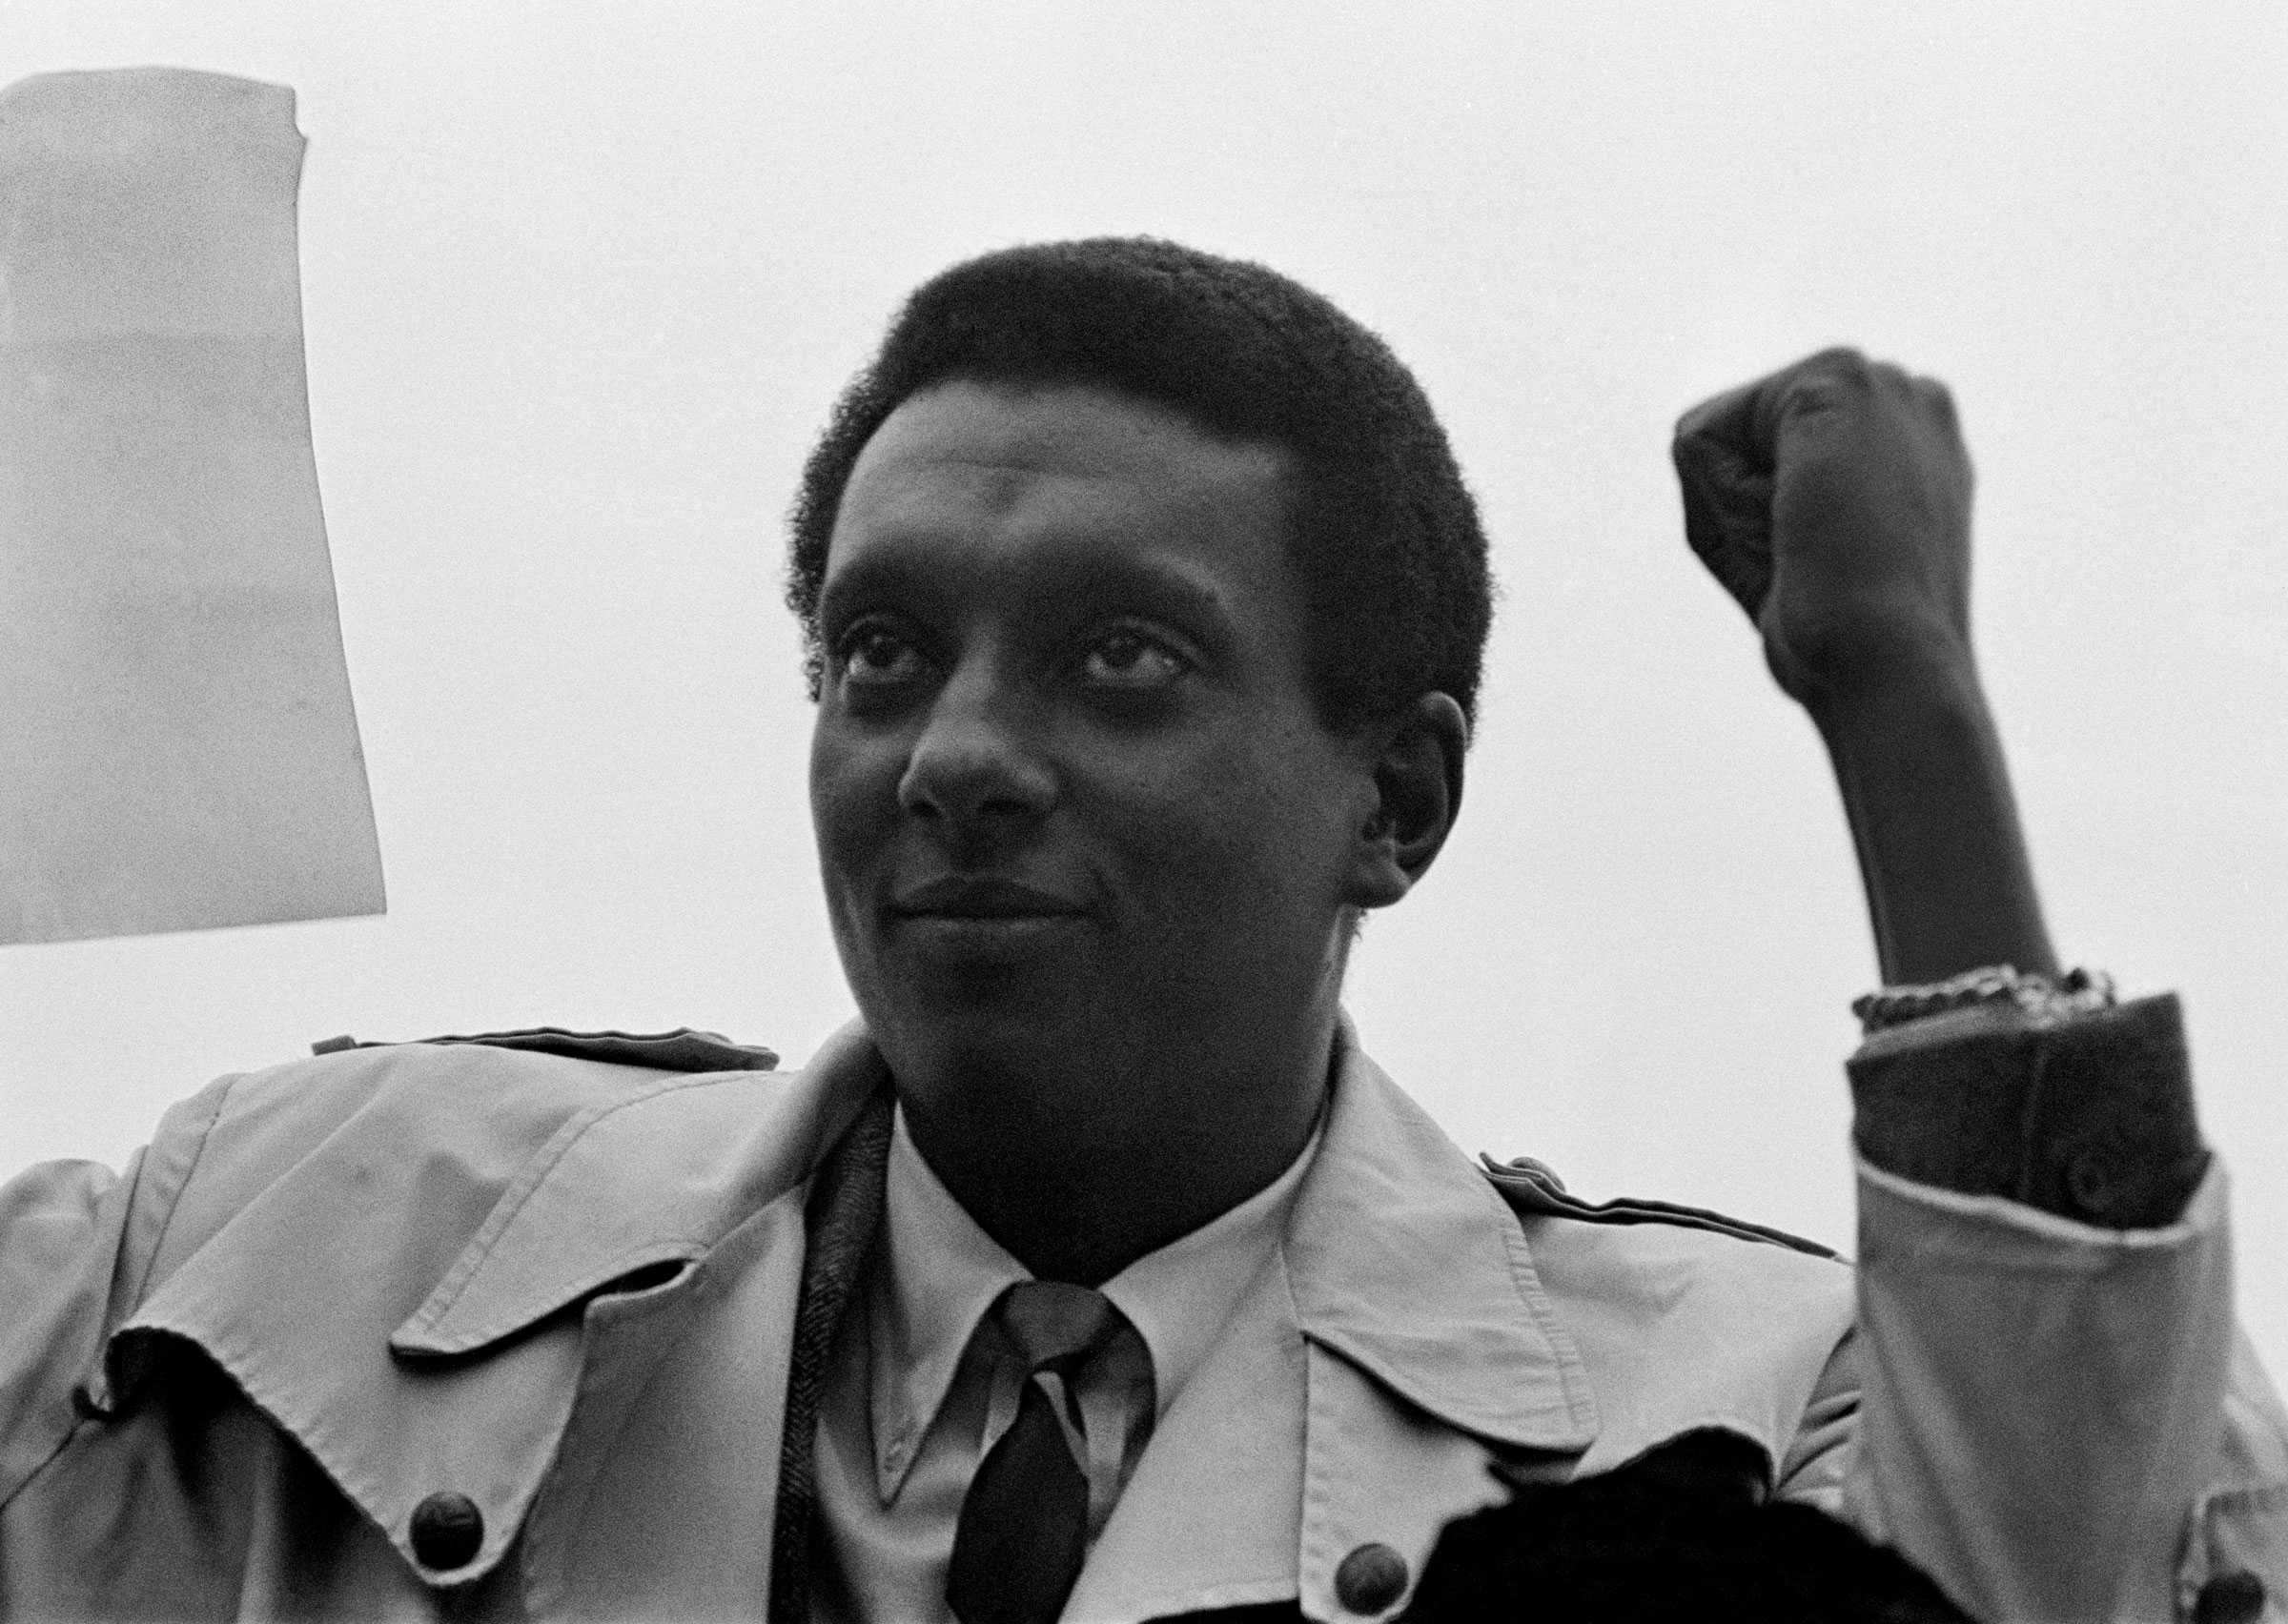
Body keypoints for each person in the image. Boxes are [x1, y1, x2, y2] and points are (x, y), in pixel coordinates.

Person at [0, 235, 2280, 1623]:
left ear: (1398, 800)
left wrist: (1903, 716)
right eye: (883, 656)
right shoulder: (294, 1242)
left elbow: (2071, 1553)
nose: (957, 754)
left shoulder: (1720, 1418)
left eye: (1120, 661)